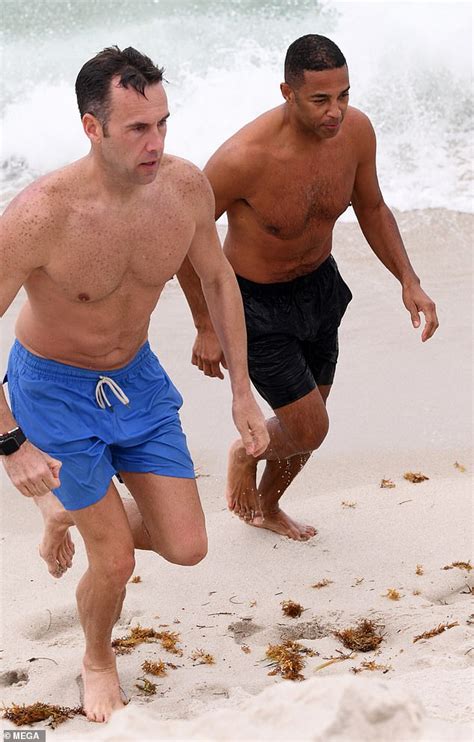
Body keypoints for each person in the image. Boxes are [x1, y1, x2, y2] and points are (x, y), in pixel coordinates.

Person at [0, 46, 268, 723]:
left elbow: (215, 278)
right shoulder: (40, 215)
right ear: (92, 128)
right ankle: (96, 658)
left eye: (163, 125)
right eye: (137, 129)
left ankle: (76, 509)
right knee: (114, 560)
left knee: (187, 546)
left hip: (135, 380)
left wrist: (242, 390)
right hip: (53, 390)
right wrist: (12, 444)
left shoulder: (183, 189)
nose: (156, 144)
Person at [177, 34, 439, 542]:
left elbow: (371, 207)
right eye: (321, 100)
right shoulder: (242, 158)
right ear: (287, 92)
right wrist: (206, 324)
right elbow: (189, 242)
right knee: (310, 427)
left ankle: (268, 506)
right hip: (255, 303)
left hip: (320, 289)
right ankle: (242, 451)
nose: (335, 111)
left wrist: (409, 280)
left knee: (310, 417)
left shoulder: (357, 132)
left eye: (343, 95)